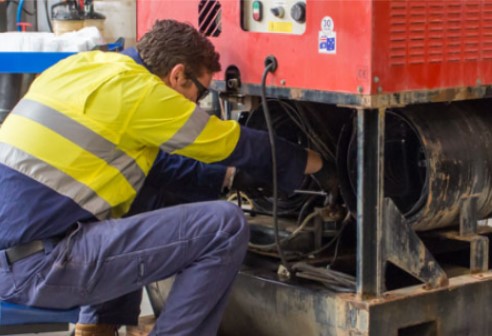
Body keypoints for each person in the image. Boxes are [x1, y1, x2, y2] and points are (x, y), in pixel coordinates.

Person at [0, 20, 336, 336]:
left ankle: (97, 331)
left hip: (15, 258)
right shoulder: (143, 92)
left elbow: (157, 169)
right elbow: (236, 143)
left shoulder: (83, 68)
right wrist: (318, 164)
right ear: (178, 75)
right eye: (201, 93)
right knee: (225, 226)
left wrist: (229, 178)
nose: (197, 103)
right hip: (38, 267)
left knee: (137, 199)